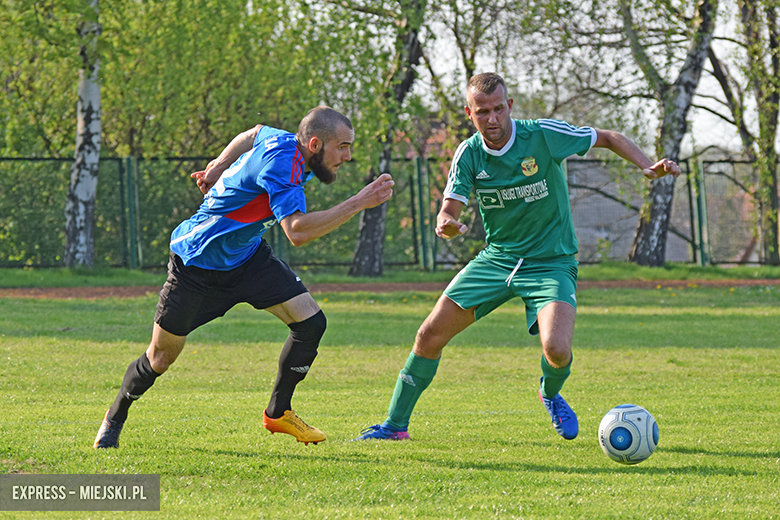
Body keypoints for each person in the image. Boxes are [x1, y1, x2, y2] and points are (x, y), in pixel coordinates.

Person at [354, 72, 680, 442]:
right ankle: (394, 427)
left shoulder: (541, 135)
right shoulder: (469, 153)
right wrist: (446, 223)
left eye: (498, 109)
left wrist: (645, 165)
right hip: (497, 260)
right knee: (429, 335)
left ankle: (550, 392)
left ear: (509, 106)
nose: (492, 119)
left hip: (551, 262)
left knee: (557, 349)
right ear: (469, 113)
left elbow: (606, 137)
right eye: (482, 112)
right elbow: (449, 209)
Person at [94, 106, 395, 449]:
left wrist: (218, 166)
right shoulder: (284, 165)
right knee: (160, 358)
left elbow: (252, 133)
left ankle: (279, 412)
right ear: (314, 144)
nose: (347, 156)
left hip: (247, 258)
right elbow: (297, 231)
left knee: (311, 322)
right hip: (196, 264)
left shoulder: (285, 141)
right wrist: (359, 202)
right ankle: (114, 417)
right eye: (342, 147)